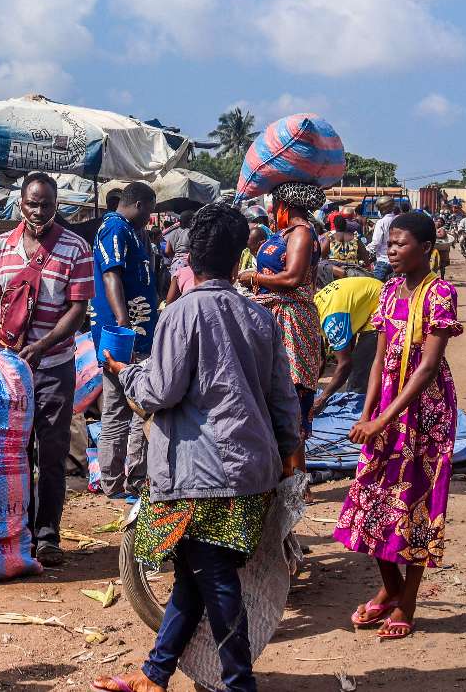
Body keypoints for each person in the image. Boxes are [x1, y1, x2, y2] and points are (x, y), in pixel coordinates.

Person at [94, 203, 300, 692]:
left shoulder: (179, 315)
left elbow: (158, 392)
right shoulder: (261, 318)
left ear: (189, 262)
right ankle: (155, 674)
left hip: (196, 474)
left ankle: (237, 682)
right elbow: (284, 400)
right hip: (249, 470)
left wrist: (125, 375)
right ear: (237, 263)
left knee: (215, 578)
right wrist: (292, 458)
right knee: (192, 576)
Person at [334, 210, 462, 641]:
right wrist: (367, 415)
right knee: (372, 498)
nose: (391, 249)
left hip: (424, 413)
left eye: (401, 243)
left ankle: (407, 602)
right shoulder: (387, 292)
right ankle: (390, 588)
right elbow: (377, 363)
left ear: (426, 248)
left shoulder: (440, 293)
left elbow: (428, 367)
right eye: (389, 243)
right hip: (387, 405)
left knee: (416, 501)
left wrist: (385, 419)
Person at [0, 171, 93, 568]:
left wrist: (42, 346)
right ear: (19, 203)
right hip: (7, 369)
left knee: (52, 453)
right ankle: (18, 532)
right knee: (13, 453)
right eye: (32, 203)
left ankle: (47, 536)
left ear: (57, 206)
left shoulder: (76, 248)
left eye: (47, 204)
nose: (38, 211)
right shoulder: (0, 247)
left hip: (54, 366)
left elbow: (77, 310)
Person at [239, 182, 323, 448]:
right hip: (274, 313)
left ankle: (295, 474)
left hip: (292, 318)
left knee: (291, 387)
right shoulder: (286, 232)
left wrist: (253, 276)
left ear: (285, 205)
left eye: (274, 207)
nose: (273, 213)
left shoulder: (302, 233)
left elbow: (293, 278)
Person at [90, 179, 158, 502]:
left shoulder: (134, 232)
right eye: (150, 212)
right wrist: (123, 324)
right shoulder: (113, 229)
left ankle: (131, 480)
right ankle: (116, 482)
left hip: (140, 335)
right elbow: (111, 275)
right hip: (124, 335)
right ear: (140, 205)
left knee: (135, 406)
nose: (151, 218)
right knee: (123, 407)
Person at [311, 274, 384, 419]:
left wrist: (322, 399)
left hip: (380, 304)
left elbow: (345, 365)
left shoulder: (331, 320)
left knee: (359, 369)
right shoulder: (312, 309)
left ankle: (357, 414)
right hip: (361, 303)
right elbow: (320, 360)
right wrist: (310, 391)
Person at [368, 199, 398, 281]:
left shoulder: (381, 222)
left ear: (382, 209)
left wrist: (366, 249)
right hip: (398, 261)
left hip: (383, 261)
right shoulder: (398, 219)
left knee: (377, 287)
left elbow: (376, 242)